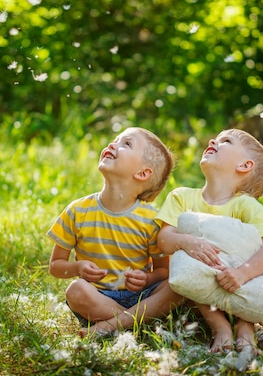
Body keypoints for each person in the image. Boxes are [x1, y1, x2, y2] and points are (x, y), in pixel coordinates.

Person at [47, 127, 184, 337]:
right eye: (115, 140)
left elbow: (163, 272)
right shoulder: (77, 211)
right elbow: (56, 267)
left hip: (140, 295)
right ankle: (137, 323)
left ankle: (109, 326)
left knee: (177, 286)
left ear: (142, 173)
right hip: (98, 297)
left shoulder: (151, 220)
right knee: (75, 291)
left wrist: (146, 280)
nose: (112, 145)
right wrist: (78, 267)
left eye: (126, 144)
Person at [156, 128, 263, 354]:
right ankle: (220, 326)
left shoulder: (245, 205)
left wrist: (243, 273)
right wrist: (187, 242)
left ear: (244, 166)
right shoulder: (182, 197)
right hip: (195, 288)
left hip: (236, 281)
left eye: (226, 141)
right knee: (193, 260)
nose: (214, 140)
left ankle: (245, 329)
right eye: (216, 137)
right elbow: (164, 241)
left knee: (255, 257)